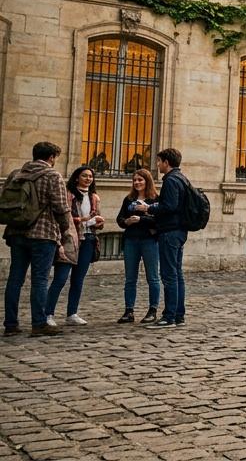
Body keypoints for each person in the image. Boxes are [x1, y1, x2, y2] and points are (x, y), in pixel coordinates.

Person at [3, 142, 72, 337]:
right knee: (40, 279)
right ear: (51, 158)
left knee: (15, 278)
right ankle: (39, 323)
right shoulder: (52, 175)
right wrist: (65, 230)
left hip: (17, 231)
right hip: (43, 233)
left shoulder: (17, 173)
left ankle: (10, 323)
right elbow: (60, 207)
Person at [134, 148, 190, 327]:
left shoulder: (171, 180)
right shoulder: (182, 178)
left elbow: (170, 206)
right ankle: (178, 314)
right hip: (179, 230)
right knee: (177, 273)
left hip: (170, 231)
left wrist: (148, 208)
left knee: (169, 275)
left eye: (159, 161)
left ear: (166, 162)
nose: (157, 165)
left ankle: (169, 316)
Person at [45, 165, 103, 325]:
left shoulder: (94, 197)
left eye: (90, 176)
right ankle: (48, 313)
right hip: (70, 240)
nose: (88, 179)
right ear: (77, 177)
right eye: (85, 176)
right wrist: (86, 221)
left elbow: (95, 218)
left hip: (88, 240)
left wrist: (97, 222)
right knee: (60, 278)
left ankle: (72, 313)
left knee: (78, 279)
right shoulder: (68, 195)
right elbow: (66, 218)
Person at [116, 169, 160, 323]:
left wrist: (141, 220)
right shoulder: (129, 199)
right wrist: (126, 222)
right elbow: (120, 218)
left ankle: (152, 310)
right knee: (130, 278)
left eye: (140, 180)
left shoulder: (155, 200)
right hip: (131, 240)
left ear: (147, 181)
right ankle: (129, 311)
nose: (137, 183)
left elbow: (159, 221)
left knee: (153, 277)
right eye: (135, 180)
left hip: (149, 240)